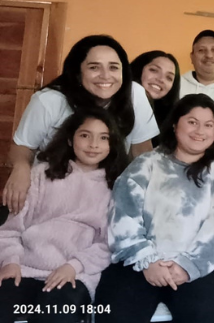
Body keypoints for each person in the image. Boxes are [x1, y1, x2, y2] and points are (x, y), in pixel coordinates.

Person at [95, 94, 214, 323]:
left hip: (198, 268)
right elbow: (123, 217)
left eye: (208, 125)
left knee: (202, 313)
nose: (199, 130)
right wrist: (148, 261)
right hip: (139, 263)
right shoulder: (145, 164)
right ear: (175, 125)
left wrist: (187, 266)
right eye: (192, 122)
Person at [3, 35, 158, 214]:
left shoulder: (135, 95)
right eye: (94, 67)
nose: (105, 76)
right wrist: (20, 169)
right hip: (51, 191)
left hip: (106, 192)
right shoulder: (49, 100)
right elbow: (22, 146)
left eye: (114, 67)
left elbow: (141, 152)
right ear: (78, 73)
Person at [0, 108, 129, 323]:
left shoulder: (117, 186)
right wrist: (10, 262)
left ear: (112, 144)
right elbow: (12, 229)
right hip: (25, 267)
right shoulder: (41, 174)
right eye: (85, 135)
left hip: (75, 274)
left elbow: (108, 244)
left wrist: (73, 266)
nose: (93, 144)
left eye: (103, 138)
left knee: (54, 315)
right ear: (70, 140)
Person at [130, 50, 181, 145]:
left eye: (169, 77)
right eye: (154, 70)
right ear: (139, 69)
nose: (161, 79)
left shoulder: (173, 120)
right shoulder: (115, 102)